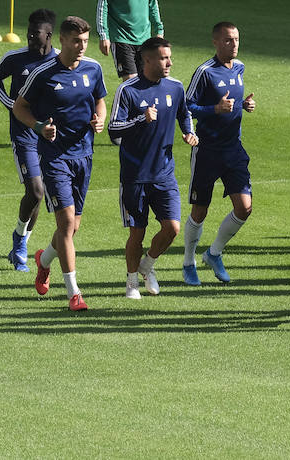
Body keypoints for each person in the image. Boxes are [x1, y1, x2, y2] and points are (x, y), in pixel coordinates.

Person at [13, 16, 107, 312]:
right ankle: (74, 293)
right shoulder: (43, 73)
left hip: (84, 155)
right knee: (65, 224)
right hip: (55, 158)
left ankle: (43, 261)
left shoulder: (93, 68)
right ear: (62, 40)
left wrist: (100, 118)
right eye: (76, 41)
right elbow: (20, 107)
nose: (81, 47)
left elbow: (99, 99)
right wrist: (39, 126)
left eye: (85, 42)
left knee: (73, 227)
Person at [108, 36, 197, 299]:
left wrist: (189, 132)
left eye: (169, 57)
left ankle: (148, 265)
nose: (169, 62)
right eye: (163, 58)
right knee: (138, 232)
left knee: (172, 227)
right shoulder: (129, 90)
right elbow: (114, 128)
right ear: (146, 60)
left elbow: (185, 113)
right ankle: (132, 282)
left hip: (164, 173)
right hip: (135, 175)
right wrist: (140, 120)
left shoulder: (176, 87)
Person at [182, 22, 256, 284]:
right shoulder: (205, 72)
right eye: (227, 40)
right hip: (207, 149)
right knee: (200, 210)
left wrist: (244, 105)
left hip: (233, 148)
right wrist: (214, 109)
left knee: (244, 208)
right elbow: (187, 106)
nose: (233, 44)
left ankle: (214, 253)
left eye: (236, 39)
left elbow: (232, 104)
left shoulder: (239, 68)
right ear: (215, 42)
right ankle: (188, 261)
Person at [0, 8, 57, 271]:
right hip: (24, 134)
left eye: (34, 32)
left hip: (50, 138)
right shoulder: (16, 59)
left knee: (40, 196)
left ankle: (21, 240)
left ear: (48, 34)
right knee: (36, 190)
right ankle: (19, 240)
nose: (28, 36)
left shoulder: (58, 61)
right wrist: (10, 103)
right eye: (28, 31)